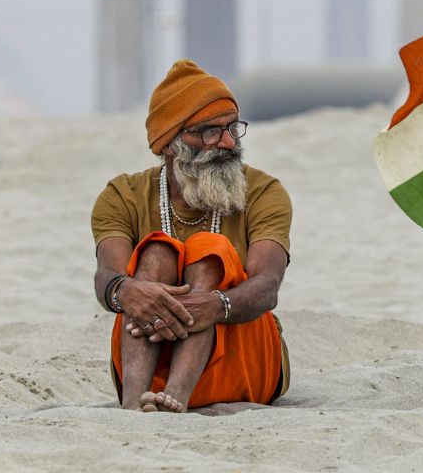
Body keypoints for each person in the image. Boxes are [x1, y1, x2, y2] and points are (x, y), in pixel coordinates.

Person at [90, 59, 292, 412]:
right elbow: (107, 276)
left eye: (233, 127)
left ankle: (177, 397)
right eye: (210, 131)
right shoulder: (123, 195)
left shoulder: (264, 191)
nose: (228, 142)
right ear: (170, 143)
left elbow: (267, 286)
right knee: (156, 250)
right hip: (147, 363)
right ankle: (133, 406)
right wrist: (130, 292)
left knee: (209, 248)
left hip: (243, 365)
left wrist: (215, 305)